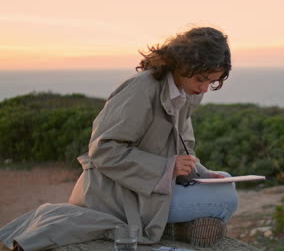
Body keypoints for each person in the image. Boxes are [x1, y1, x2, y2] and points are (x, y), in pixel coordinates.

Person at [0, 26, 238, 250]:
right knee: (224, 201)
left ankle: (174, 228)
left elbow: (182, 148)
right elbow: (103, 149)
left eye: (212, 81)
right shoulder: (141, 88)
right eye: (201, 79)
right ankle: (175, 230)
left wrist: (201, 173)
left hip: (150, 188)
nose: (205, 88)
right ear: (182, 64)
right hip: (117, 194)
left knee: (226, 182)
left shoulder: (188, 93)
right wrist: (166, 167)